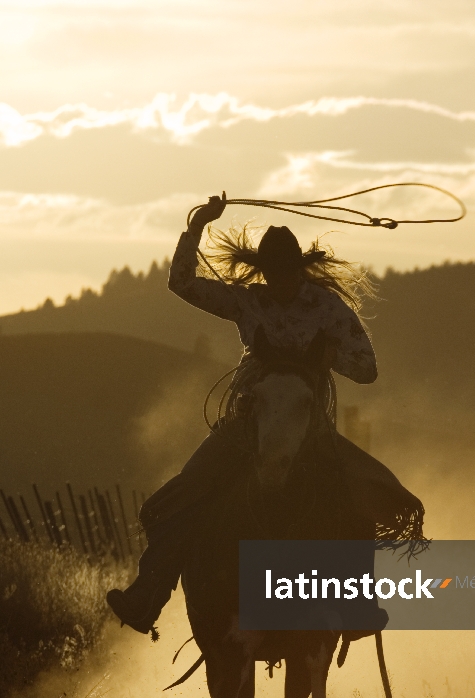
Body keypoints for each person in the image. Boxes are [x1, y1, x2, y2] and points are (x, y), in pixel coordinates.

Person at [107, 193, 425, 636]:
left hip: (309, 426)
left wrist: (329, 357)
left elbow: (367, 369)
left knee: (359, 496)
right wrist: (196, 228)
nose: (279, 281)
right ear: (265, 272)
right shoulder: (247, 301)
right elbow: (181, 283)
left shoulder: (326, 308)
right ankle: (148, 596)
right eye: (272, 273)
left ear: (298, 269)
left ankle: (356, 601)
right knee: (184, 493)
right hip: (248, 422)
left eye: (285, 272)